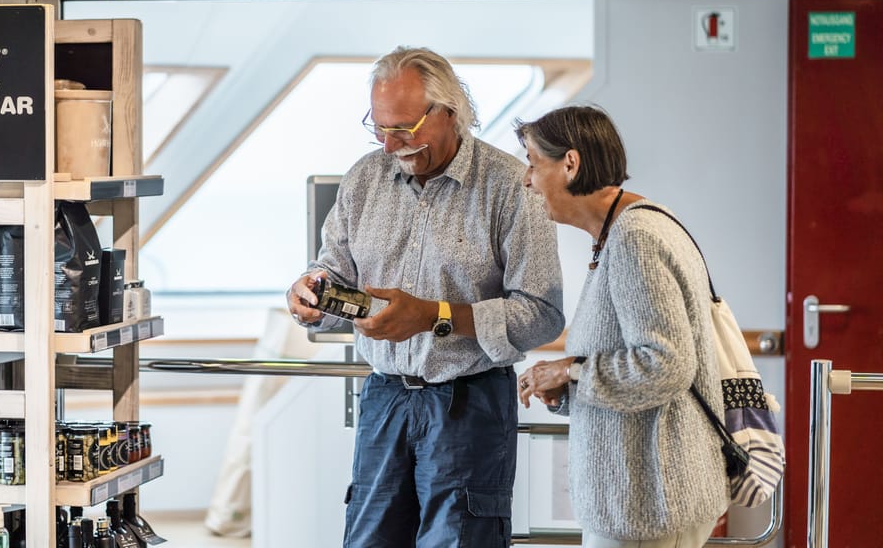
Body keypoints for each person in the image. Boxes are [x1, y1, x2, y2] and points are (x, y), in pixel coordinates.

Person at [287, 46, 565, 548]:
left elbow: (541, 315)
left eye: (406, 129)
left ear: (450, 112)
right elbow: (331, 269)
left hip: (470, 402)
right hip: (383, 399)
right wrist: (312, 293)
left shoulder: (512, 186)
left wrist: (433, 317)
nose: (392, 144)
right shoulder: (364, 178)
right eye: (380, 128)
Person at [514, 105, 729, 548]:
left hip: (649, 505)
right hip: (641, 501)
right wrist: (569, 388)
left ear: (570, 164)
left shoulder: (635, 238)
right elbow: (633, 364)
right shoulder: (622, 232)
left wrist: (569, 370)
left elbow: (666, 364)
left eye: (533, 164)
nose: (526, 180)